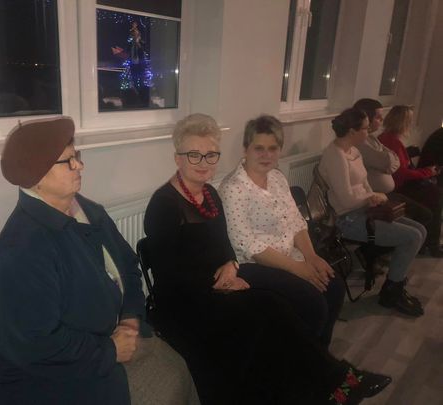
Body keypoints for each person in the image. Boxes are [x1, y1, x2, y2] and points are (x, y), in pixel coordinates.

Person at [144, 113, 391, 405]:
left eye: (211, 155)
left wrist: (231, 265)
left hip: (221, 282)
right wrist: (220, 284)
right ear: (178, 158)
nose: (204, 162)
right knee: (269, 307)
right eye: (193, 155)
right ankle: (337, 382)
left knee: (275, 310)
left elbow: (226, 245)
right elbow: (168, 275)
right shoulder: (163, 205)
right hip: (186, 300)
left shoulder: (209, 194)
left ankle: (322, 384)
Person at [0, 117, 199, 405]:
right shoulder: (21, 251)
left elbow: (128, 266)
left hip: (109, 338)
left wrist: (130, 318)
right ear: (36, 177)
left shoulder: (87, 211)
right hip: (52, 380)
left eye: (76, 155)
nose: (80, 165)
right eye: (68, 161)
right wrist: (110, 350)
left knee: (177, 368)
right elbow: (36, 345)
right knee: (166, 388)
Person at [219, 114, 345, 347]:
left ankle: (319, 355)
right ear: (245, 149)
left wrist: (311, 257)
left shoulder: (277, 178)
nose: (266, 155)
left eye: (273, 148)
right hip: (254, 265)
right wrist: (298, 269)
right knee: (313, 303)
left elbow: (295, 221)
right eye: (259, 148)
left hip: (290, 257)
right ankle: (301, 358)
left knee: (334, 287)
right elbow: (247, 245)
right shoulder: (233, 188)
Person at [318, 108, 425, 317]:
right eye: (365, 129)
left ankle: (395, 282)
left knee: (420, 230)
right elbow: (346, 200)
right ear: (352, 131)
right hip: (347, 219)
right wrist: (372, 197)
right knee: (412, 237)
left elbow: (365, 184)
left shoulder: (353, 151)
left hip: (365, 210)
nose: (368, 132)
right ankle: (391, 292)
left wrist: (373, 196)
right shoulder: (335, 156)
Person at [352, 99, 432, 259]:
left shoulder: (373, 138)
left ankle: (387, 251)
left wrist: (390, 160)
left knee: (425, 214)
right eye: (378, 117)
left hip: (385, 193)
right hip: (377, 196)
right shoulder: (362, 143)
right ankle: (371, 252)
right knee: (421, 218)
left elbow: (393, 161)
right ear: (366, 118)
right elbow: (391, 163)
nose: (381, 121)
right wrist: (426, 172)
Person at [378, 105, 443, 257]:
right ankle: (431, 244)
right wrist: (428, 172)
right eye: (410, 120)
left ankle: (428, 243)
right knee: (434, 196)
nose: (411, 124)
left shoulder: (388, 138)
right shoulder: (392, 141)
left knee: (433, 194)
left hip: (401, 183)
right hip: (399, 187)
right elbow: (402, 173)